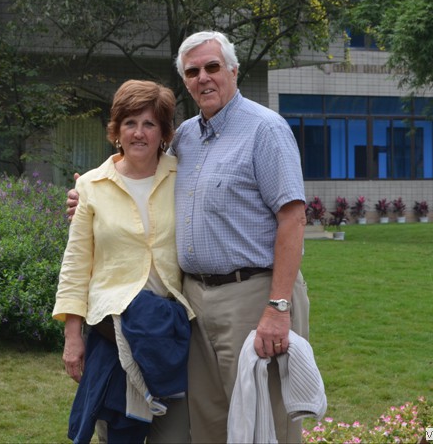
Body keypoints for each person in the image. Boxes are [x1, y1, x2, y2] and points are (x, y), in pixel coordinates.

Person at [68, 31, 309, 443]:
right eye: (193, 71)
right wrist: (89, 193)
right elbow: (135, 167)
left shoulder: (265, 129)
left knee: (264, 421)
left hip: (253, 296)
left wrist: (278, 306)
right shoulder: (186, 139)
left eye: (212, 67)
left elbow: (293, 217)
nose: (204, 78)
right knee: (209, 422)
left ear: (233, 70)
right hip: (194, 305)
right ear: (185, 81)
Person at [53, 79, 194, 444]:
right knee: (121, 433)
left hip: (170, 330)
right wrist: (72, 336)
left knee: (176, 434)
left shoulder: (185, 177)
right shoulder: (92, 186)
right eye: (130, 123)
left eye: (149, 124)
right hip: (112, 334)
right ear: (116, 130)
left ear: (164, 132)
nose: (139, 133)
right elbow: (75, 265)